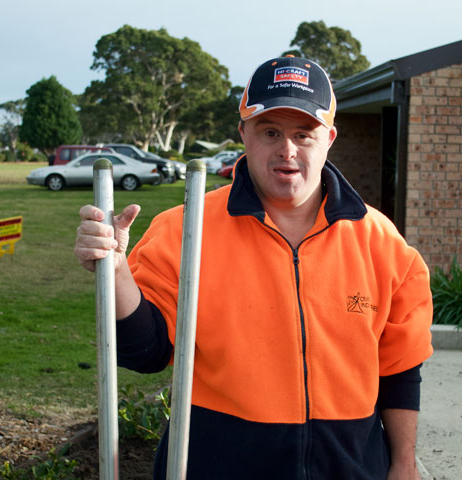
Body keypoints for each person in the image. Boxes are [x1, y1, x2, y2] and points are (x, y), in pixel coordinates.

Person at [75, 56, 433, 479]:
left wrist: (404, 464)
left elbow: (400, 368)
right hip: (217, 465)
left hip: (351, 466)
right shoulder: (184, 232)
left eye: (304, 134)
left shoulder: (381, 243)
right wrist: (116, 272)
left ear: (330, 137)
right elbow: (147, 352)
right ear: (244, 133)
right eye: (270, 132)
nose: (287, 150)